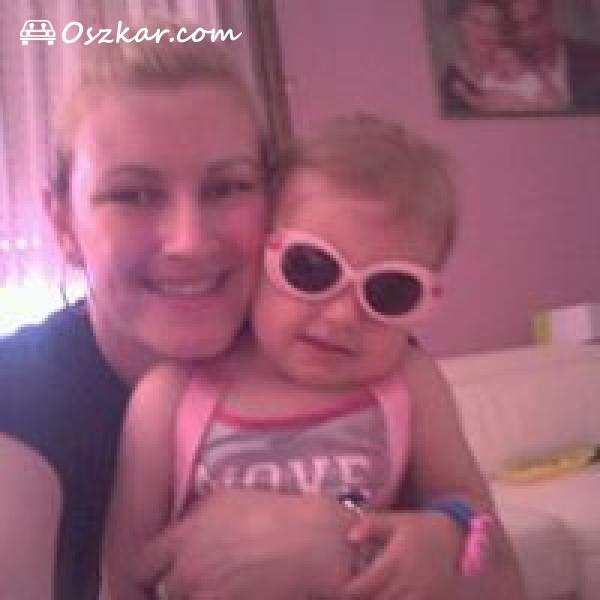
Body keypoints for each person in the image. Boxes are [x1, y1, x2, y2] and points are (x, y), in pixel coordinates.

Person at [0, 24, 526, 600]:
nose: (189, 242)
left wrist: (349, 544)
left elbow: (502, 576)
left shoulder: (357, 348)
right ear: (63, 223)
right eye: (132, 194)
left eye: (227, 187)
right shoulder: (20, 394)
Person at [102, 115, 525, 600]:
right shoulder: (170, 397)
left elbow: (481, 525)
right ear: (258, 255)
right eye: (310, 267)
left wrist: (445, 535)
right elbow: (126, 573)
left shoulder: (409, 382)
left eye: (390, 290)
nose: (343, 315)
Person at [506, 0, 600, 111]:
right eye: (519, 27)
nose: (528, 33)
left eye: (535, 20)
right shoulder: (510, 68)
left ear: (551, 17)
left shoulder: (593, 59)